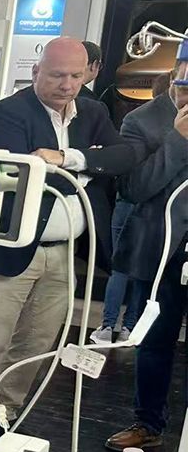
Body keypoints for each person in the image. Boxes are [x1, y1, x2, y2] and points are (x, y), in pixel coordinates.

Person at [0, 37, 135, 421]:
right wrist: (91, 165)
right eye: (57, 75)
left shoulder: (92, 113)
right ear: (36, 71)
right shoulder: (6, 113)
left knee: (38, 343)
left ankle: (4, 414)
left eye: (76, 75)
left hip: (64, 253)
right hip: (10, 250)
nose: (67, 85)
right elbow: (20, 174)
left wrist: (66, 159)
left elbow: (125, 156)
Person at [104, 51, 188, 452]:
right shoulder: (141, 121)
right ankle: (148, 422)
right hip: (160, 252)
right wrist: (179, 140)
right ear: (174, 76)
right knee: (155, 341)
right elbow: (134, 188)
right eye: (186, 84)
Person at [91, 73, 171, 344]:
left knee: (124, 269)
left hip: (133, 207)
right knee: (135, 269)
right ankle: (125, 326)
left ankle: (110, 325)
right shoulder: (155, 123)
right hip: (144, 206)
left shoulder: (138, 119)